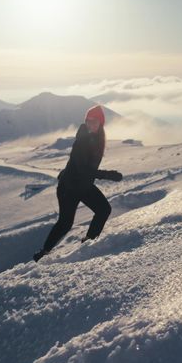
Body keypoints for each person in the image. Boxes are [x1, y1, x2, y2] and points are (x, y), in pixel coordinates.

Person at [34, 105, 123, 262]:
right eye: (88, 121)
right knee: (65, 223)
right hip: (68, 187)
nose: (90, 124)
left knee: (103, 210)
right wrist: (108, 175)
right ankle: (43, 253)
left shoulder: (97, 139)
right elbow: (84, 169)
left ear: (100, 123)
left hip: (83, 185)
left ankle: (88, 242)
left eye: (94, 121)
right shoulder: (82, 141)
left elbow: (86, 170)